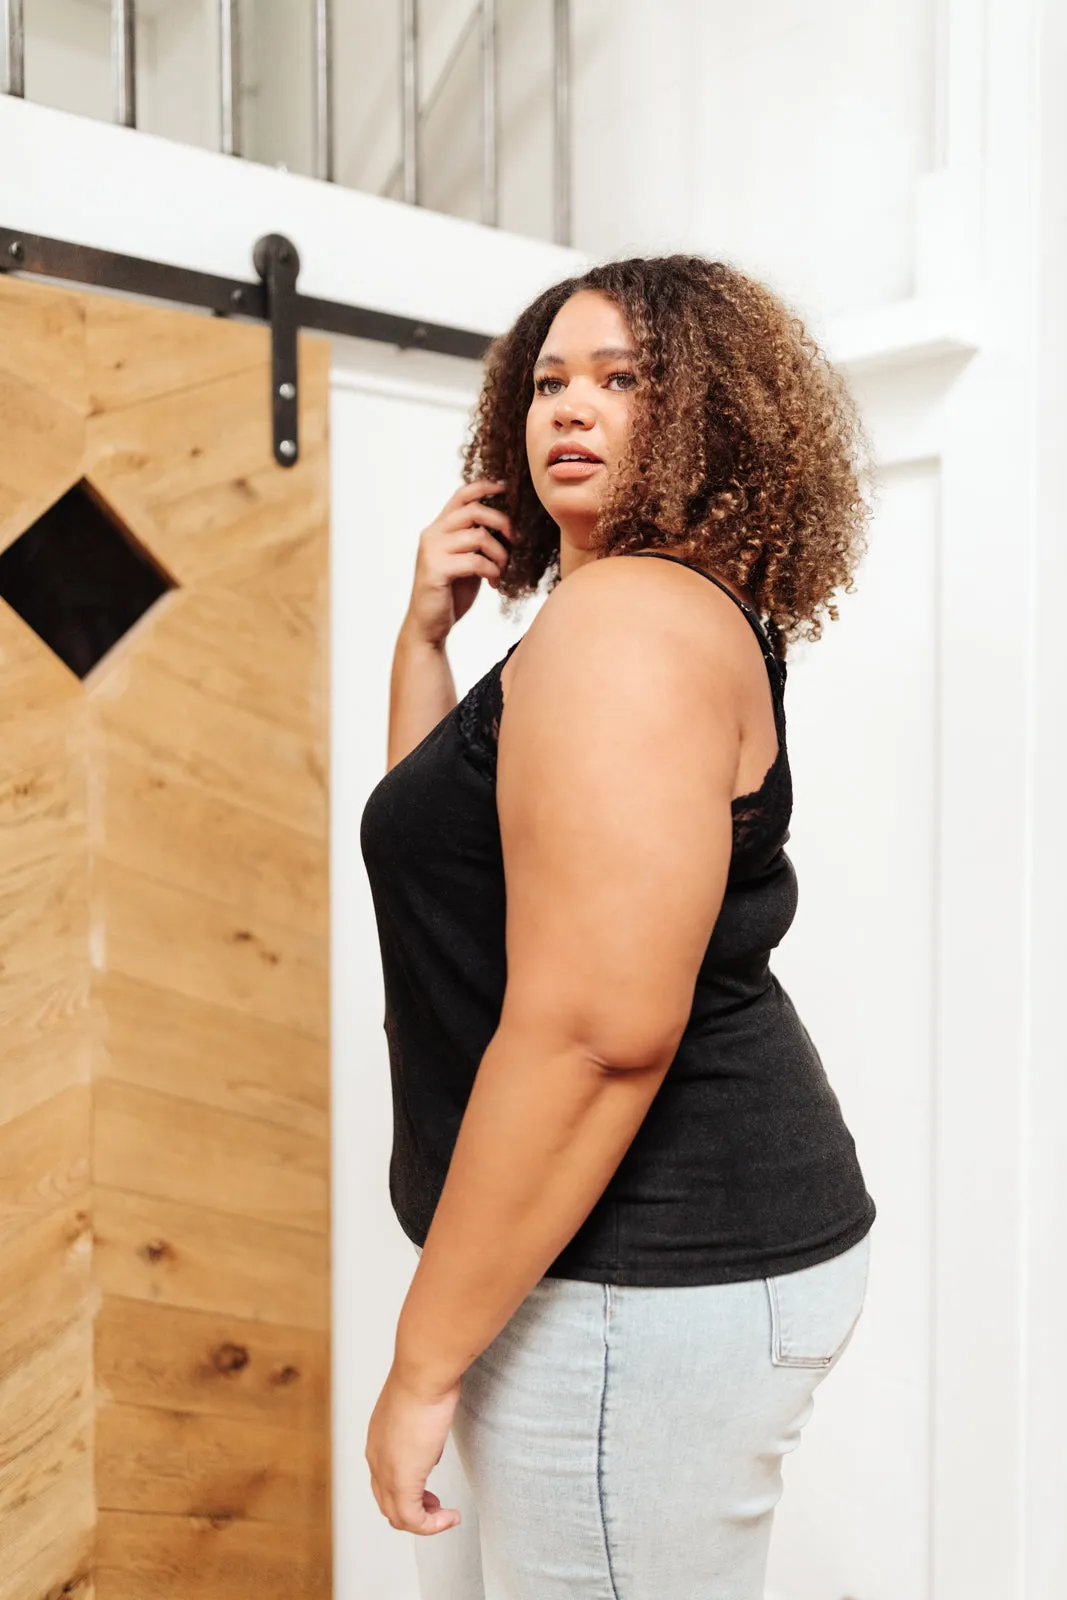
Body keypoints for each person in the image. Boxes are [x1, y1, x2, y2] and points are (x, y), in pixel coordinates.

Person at [360, 254, 877, 1599]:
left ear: (705, 413)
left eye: (620, 379)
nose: (568, 409)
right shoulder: (622, 614)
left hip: (645, 1276)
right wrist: (426, 643)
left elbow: (600, 1036)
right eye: (546, 382)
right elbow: (452, 871)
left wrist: (422, 1363)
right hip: (611, 1264)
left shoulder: (629, 623)